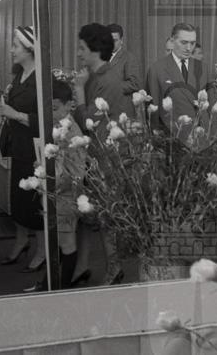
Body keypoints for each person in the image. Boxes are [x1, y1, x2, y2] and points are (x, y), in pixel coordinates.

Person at [72, 22, 129, 285]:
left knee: (106, 217)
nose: (79, 53)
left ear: (95, 50)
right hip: (94, 155)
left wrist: (78, 91)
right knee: (87, 215)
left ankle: (114, 270)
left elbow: (89, 125)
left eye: (82, 48)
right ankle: (83, 266)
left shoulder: (107, 80)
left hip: (106, 158)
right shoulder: (94, 76)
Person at [0, 25, 47, 273]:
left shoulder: (42, 78)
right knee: (18, 199)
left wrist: (14, 114)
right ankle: (21, 241)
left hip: (34, 150)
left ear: (29, 49)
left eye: (16, 46)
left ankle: (42, 250)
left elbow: (45, 119)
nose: (12, 50)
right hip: (18, 147)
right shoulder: (19, 76)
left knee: (34, 202)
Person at [147, 23, 212, 140]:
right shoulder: (157, 69)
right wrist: (157, 139)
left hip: (201, 136)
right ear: (172, 41)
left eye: (192, 43)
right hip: (173, 138)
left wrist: (212, 135)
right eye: (184, 42)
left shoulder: (203, 67)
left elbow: (211, 105)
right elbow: (154, 110)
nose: (189, 48)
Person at [51, 79, 86, 288]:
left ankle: (62, 289)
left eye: (55, 108)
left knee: (67, 242)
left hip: (67, 192)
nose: (52, 113)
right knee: (60, 240)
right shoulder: (58, 126)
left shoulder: (72, 132)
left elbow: (77, 172)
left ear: (69, 105)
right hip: (59, 191)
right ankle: (52, 283)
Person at [106, 23, 142, 96]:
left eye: (115, 40)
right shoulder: (99, 57)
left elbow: (134, 84)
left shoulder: (129, 58)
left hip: (118, 101)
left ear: (121, 40)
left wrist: (111, 87)